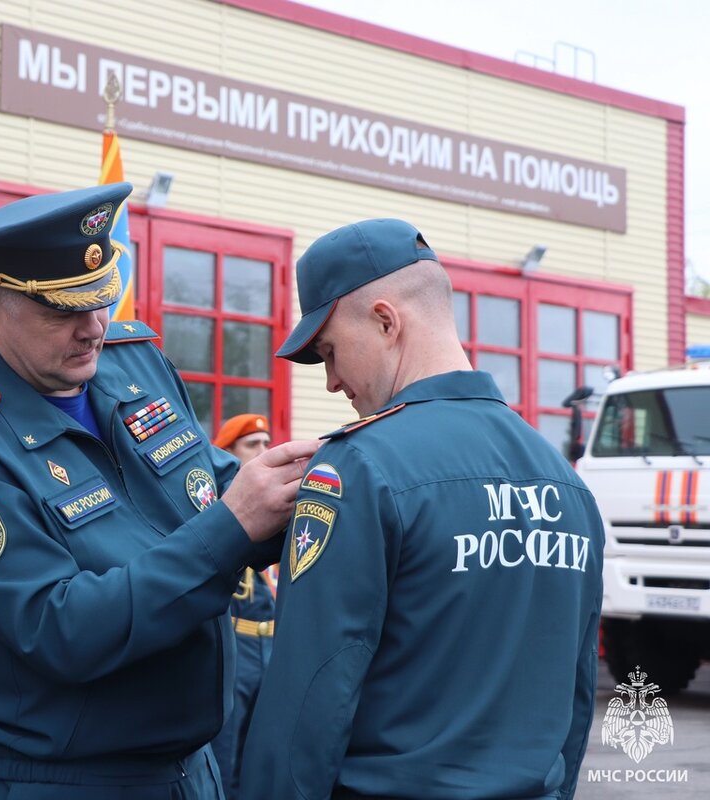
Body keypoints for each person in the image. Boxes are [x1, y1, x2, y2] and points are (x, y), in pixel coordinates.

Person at [0, 182, 318, 799]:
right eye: (63, 310)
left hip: (190, 769)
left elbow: (208, 486)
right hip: (66, 780)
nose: (93, 328)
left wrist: (321, 484)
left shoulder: (133, 360)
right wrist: (233, 526)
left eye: (103, 299)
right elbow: (63, 628)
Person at [239, 219, 605, 800]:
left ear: (386, 321)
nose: (332, 382)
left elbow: (308, 696)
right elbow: (575, 696)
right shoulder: (567, 483)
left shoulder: (357, 470)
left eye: (330, 352)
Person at [209, 413, 277, 800]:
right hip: (236, 645)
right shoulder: (219, 506)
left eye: (266, 443)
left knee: (261, 756)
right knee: (225, 756)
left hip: (270, 646)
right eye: (253, 445)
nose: (264, 451)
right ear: (226, 452)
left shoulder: (276, 505)